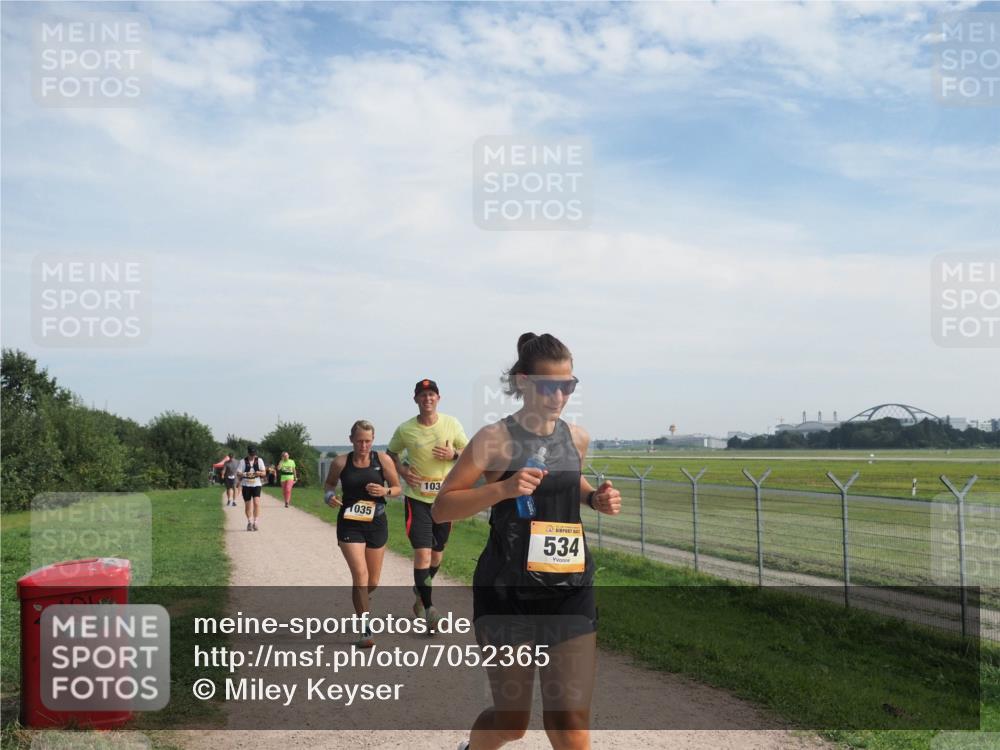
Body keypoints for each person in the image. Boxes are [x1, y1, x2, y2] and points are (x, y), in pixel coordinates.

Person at [433, 333, 622, 750]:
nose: (559, 395)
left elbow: (568, 481)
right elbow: (442, 507)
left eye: (567, 385)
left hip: (570, 589)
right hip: (507, 594)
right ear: (523, 382)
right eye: (548, 385)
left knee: (570, 722)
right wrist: (502, 489)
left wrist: (594, 498)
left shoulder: (577, 438)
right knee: (512, 721)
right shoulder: (494, 439)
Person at [387, 379, 468, 629]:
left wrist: (453, 454)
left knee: (436, 555)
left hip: (445, 500)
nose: (427, 398)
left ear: (438, 398)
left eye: (431, 394)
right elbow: (391, 454)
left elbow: (469, 452)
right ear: (416, 400)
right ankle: (429, 608)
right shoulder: (405, 429)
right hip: (417, 499)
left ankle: (420, 588)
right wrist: (402, 470)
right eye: (422, 395)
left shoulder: (451, 424)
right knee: (422, 554)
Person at [324, 420, 401, 648]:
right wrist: (329, 497)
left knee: (373, 581)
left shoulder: (383, 460)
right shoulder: (340, 462)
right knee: (360, 574)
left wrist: (385, 490)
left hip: (377, 521)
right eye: (359, 441)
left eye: (368, 441)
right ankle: (365, 628)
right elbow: (328, 485)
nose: (364, 445)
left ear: (373, 440)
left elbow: (398, 488)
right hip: (350, 523)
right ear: (351, 440)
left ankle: (362, 601)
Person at [238, 445, 266, 531]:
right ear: (248, 453)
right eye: (251, 454)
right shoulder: (242, 461)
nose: (252, 456)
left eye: (253, 454)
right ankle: (249, 522)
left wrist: (260, 473)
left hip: (256, 484)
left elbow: (264, 473)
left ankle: (255, 522)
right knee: (248, 506)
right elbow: (238, 473)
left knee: (256, 503)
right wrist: (244, 474)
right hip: (246, 485)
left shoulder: (259, 460)